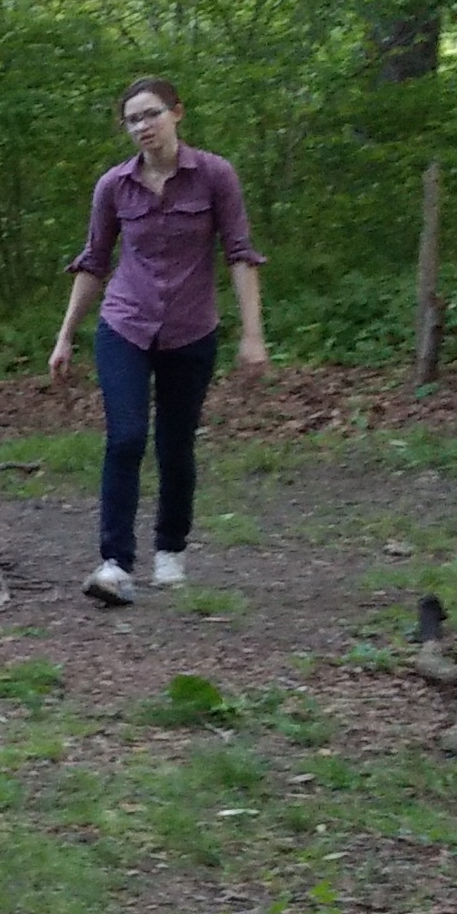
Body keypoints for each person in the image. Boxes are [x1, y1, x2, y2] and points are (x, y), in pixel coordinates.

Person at [50, 76, 267, 605]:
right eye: (132, 120)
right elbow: (94, 262)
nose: (142, 127)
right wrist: (64, 338)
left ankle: (170, 550)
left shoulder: (215, 176)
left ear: (176, 113)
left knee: (176, 443)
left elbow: (240, 254)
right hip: (125, 323)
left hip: (192, 329)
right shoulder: (114, 186)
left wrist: (253, 336)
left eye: (151, 115)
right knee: (125, 437)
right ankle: (115, 563)